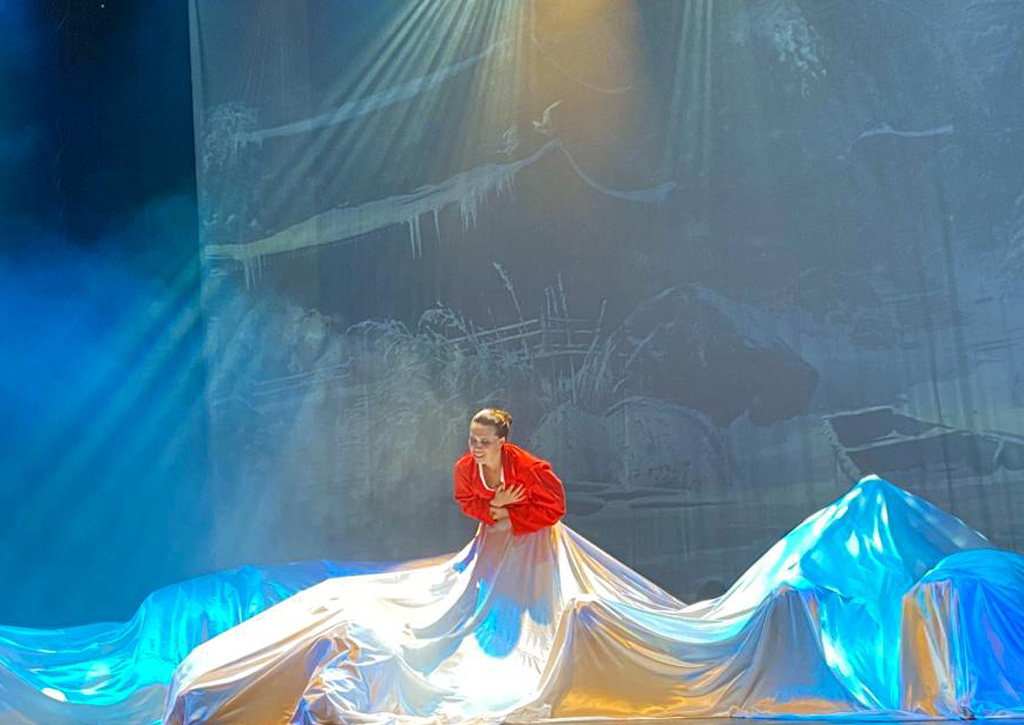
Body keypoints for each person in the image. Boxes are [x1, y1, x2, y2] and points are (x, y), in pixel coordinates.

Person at [452, 407, 566, 535]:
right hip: (494, 532)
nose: (476, 448)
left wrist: (508, 513)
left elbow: (555, 508)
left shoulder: (529, 469)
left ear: (501, 442)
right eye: (473, 440)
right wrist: (495, 503)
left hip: (537, 532)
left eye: (485, 442)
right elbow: (466, 502)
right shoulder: (464, 469)